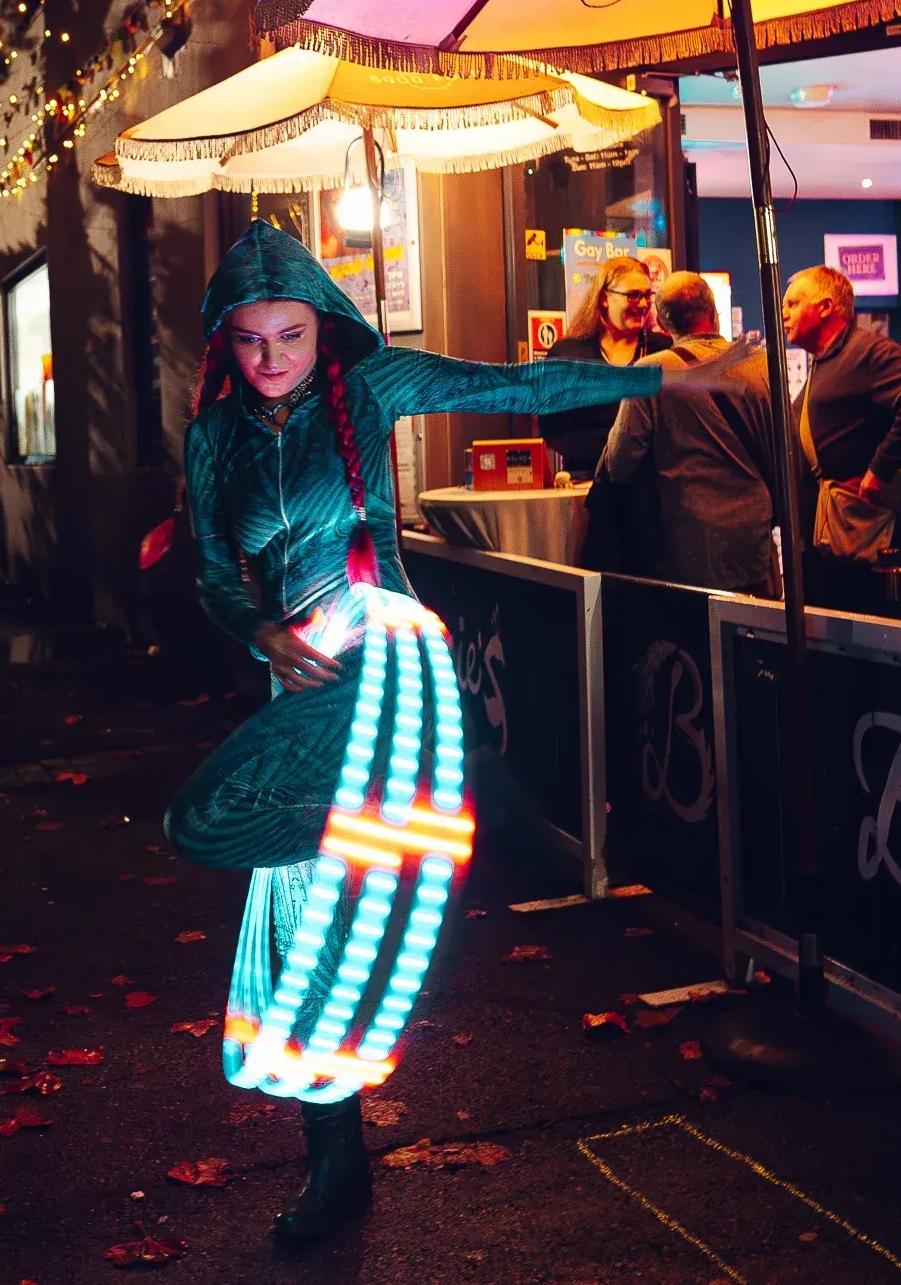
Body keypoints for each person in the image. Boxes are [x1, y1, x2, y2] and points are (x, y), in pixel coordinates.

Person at [164, 221, 754, 1243]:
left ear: (322, 327)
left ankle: (336, 1163)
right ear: (226, 341)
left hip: (381, 673)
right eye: (250, 341)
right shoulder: (214, 438)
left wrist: (662, 379)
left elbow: (521, 384)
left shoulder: (370, 386)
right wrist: (258, 630)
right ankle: (336, 1165)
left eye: (290, 335)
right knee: (298, 924)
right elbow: (215, 572)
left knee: (308, 902)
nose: (271, 359)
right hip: (296, 695)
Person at [597, 272, 780, 596]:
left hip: (688, 550)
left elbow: (620, 463)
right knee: (752, 626)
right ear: (712, 312)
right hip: (752, 544)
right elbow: (785, 452)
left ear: (662, 323)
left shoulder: (650, 373)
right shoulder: (761, 364)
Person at [782, 265, 901, 614]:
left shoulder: (866, 352)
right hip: (830, 543)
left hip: (855, 545)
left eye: (793, 304)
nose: (784, 314)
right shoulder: (827, 360)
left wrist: (879, 469)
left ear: (825, 307)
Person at [539, 254, 671, 476]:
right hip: (585, 480)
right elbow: (550, 427)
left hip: (651, 482)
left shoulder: (664, 351)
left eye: (647, 295)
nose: (643, 304)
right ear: (604, 298)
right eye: (633, 295)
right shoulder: (568, 354)